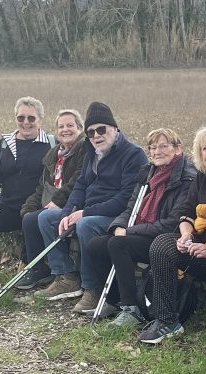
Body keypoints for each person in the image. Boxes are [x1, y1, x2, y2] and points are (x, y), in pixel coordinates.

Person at [136, 124, 206, 348]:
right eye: (205, 148)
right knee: (162, 244)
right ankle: (167, 320)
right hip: (203, 245)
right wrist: (186, 236)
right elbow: (186, 212)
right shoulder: (202, 178)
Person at [35, 101, 147, 314]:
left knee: (86, 224)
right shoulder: (91, 154)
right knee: (46, 218)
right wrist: (66, 214)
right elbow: (80, 187)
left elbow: (126, 198)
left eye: (101, 129)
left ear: (114, 128)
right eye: (91, 132)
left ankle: (92, 287)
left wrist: (85, 213)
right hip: (88, 211)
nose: (96, 135)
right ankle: (67, 277)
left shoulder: (133, 154)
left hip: (116, 216)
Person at [84, 128, 196, 331]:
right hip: (142, 232)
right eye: (153, 147)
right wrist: (119, 225)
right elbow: (131, 207)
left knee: (118, 244)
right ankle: (114, 301)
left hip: (165, 238)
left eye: (163, 146)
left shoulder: (187, 178)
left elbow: (172, 222)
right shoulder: (148, 174)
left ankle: (131, 310)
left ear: (178, 149)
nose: (157, 152)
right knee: (95, 246)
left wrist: (129, 232)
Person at [0, 97, 54, 282]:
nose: (26, 123)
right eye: (21, 118)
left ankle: (26, 265)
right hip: (8, 204)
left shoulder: (51, 145)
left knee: (31, 220)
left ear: (40, 120)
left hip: (36, 204)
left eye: (31, 118)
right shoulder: (3, 145)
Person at [14, 109, 88, 292]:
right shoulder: (54, 154)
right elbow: (42, 187)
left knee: (38, 218)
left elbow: (77, 181)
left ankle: (61, 273)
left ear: (80, 128)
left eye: (70, 125)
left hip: (74, 203)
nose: (65, 130)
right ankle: (38, 267)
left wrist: (57, 201)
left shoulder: (84, 149)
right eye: (61, 127)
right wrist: (28, 207)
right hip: (52, 202)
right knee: (28, 217)